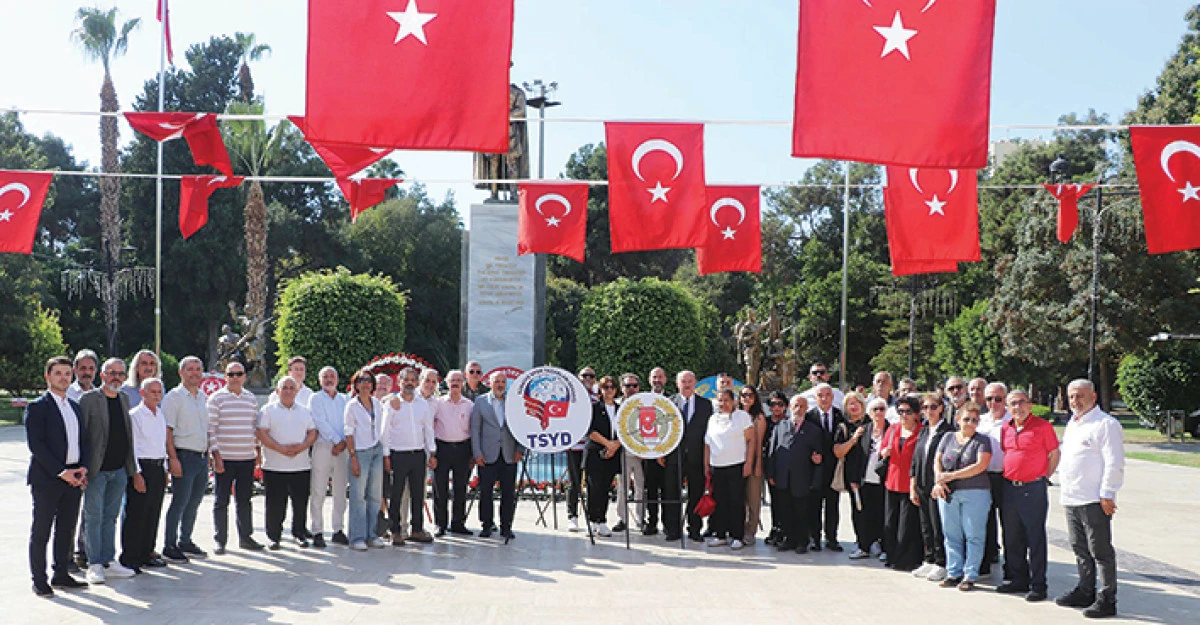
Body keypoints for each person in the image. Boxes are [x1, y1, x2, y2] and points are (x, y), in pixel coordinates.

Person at [1055, 379, 1125, 619]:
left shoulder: (1106, 424)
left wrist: (1108, 493)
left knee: (1100, 550)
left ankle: (1107, 599)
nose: (1075, 401)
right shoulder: (1073, 423)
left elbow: (1114, 462)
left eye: (1081, 395)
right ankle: (1085, 591)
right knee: (1079, 547)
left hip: (1094, 499)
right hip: (1072, 497)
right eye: (1072, 396)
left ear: (1093, 396)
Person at [26, 356, 90, 597]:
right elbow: (37, 446)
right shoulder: (38, 407)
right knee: (41, 530)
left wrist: (83, 467)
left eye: (66, 373)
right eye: (58, 373)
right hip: (48, 478)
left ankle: (61, 573)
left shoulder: (75, 407)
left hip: (74, 477)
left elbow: (83, 441)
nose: (63, 378)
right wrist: (61, 472)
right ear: (48, 377)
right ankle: (39, 579)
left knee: (66, 529)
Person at [997, 389, 1061, 602]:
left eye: (1022, 402)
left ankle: (1038, 585)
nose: (1018, 407)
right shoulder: (1006, 428)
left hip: (1032, 489)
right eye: (1013, 404)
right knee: (1011, 537)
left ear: (1030, 405)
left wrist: (1044, 476)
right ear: (1008, 408)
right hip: (1009, 488)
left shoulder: (1043, 427)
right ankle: (1018, 579)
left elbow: (1054, 454)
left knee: (1035, 538)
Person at [79, 357, 138, 584]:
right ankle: (94, 563)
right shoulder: (89, 399)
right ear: (102, 375)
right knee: (93, 516)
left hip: (119, 469)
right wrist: (82, 466)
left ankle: (108, 560)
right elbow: (82, 435)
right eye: (111, 373)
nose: (116, 377)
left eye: (120, 374)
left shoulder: (123, 398)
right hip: (96, 469)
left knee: (111, 517)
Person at [933, 401, 993, 591]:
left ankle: (970, 574)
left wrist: (951, 476)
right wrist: (939, 480)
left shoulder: (983, 440)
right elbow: (937, 460)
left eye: (975, 420)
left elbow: (980, 465)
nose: (970, 423)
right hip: (949, 493)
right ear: (958, 419)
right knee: (951, 534)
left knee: (974, 535)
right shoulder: (948, 437)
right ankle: (953, 572)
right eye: (967, 419)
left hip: (975, 493)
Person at [208, 361, 264, 554]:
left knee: (244, 500)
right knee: (221, 500)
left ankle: (246, 537)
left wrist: (257, 452)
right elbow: (211, 429)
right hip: (225, 458)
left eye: (238, 374)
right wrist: (216, 456)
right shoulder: (216, 399)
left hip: (246, 458)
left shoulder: (251, 399)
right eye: (230, 374)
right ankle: (220, 540)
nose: (234, 378)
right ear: (225, 377)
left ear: (244, 377)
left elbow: (253, 428)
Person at [258, 376, 318, 550]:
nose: (288, 391)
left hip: (300, 465)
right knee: (275, 504)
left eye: (292, 388)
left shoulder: (305, 411)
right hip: (274, 465)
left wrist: (302, 447)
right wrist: (281, 449)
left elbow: (313, 432)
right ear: (277, 391)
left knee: (300, 503)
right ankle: (274, 536)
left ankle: (299, 533)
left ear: (297, 391)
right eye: (284, 387)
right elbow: (262, 433)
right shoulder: (268, 410)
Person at [161, 356, 210, 562]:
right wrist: (172, 459)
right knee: (179, 502)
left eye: (198, 369)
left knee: (194, 502)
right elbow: (167, 430)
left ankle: (185, 540)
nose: (194, 373)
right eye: (190, 369)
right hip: (183, 455)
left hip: (200, 457)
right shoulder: (174, 397)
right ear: (181, 373)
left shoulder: (201, 396)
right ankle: (169, 544)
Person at [119, 377, 169, 572]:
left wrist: (164, 468)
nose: (156, 395)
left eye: (159, 392)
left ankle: (147, 552)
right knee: (136, 514)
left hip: (157, 467)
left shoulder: (160, 415)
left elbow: (161, 443)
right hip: (142, 468)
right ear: (142, 393)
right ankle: (130, 556)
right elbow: (133, 447)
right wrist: (137, 474)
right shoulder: (135, 416)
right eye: (152, 392)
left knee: (153, 512)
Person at [383, 367, 437, 545]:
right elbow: (386, 431)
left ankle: (417, 529)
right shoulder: (392, 403)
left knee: (418, 494)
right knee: (396, 495)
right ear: (399, 382)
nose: (410, 383)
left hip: (418, 454)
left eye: (413, 380)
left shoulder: (422, 404)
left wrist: (432, 452)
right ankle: (395, 530)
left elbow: (428, 429)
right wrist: (386, 456)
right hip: (398, 454)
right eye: (406, 379)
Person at [766, 394, 823, 553]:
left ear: (806, 409)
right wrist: (770, 474)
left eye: (801, 406)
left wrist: (815, 478)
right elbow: (772, 451)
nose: (798, 409)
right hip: (782, 477)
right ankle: (788, 539)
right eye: (795, 406)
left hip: (802, 478)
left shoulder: (813, 430)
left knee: (801, 511)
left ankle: (801, 541)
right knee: (785, 510)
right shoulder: (780, 426)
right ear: (789, 408)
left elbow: (818, 456)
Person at [471, 371, 524, 540]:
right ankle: (486, 525)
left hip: (509, 454)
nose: (500, 385)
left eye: (503, 382)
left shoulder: (514, 403)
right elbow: (475, 429)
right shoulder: (480, 402)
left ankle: (506, 527)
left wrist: (520, 450)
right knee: (486, 492)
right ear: (490, 383)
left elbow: (522, 428)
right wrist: (477, 453)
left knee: (508, 493)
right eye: (497, 382)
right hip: (487, 455)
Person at [911, 392, 956, 583]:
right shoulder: (923, 430)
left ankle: (941, 561)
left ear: (941, 408)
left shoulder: (948, 431)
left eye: (933, 407)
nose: (929, 411)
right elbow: (915, 459)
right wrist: (913, 484)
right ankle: (928, 558)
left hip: (937, 485)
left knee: (938, 524)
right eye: (925, 407)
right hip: (921, 483)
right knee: (925, 524)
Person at [704, 389, 754, 549]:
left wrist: (749, 463)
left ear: (733, 401)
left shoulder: (742, 417)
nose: (723, 404)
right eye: (720, 400)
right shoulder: (712, 418)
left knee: (736, 501)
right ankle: (720, 534)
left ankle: (737, 535)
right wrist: (706, 464)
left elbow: (751, 440)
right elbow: (707, 443)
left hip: (736, 465)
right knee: (719, 502)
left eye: (726, 400)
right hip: (717, 466)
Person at [307, 366, 350, 548]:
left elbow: (349, 422)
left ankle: (338, 530)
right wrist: (336, 441)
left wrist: (343, 443)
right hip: (324, 447)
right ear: (319, 380)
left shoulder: (345, 399)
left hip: (343, 450)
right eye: (325, 376)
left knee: (340, 491)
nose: (329, 379)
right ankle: (317, 531)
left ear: (338, 379)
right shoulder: (315, 398)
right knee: (318, 490)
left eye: (332, 376)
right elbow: (320, 421)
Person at [345, 369, 387, 551]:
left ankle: (372, 534)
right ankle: (357, 537)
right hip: (359, 453)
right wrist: (353, 457)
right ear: (356, 384)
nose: (365, 384)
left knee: (375, 496)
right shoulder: (351, 406)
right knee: (358, 497)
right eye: (361, 380)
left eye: (369, 381)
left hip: (376, 451)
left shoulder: (377, 403)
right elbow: (348, 432)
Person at [880, 395, 923, 572]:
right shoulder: (893, 429)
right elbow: (882, 449)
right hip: (892, 480)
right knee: (890, 522)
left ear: (916, 414)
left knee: (907, 524)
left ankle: (905, 559)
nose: (904, 415)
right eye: (901, 411)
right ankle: (891, 555)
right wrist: (885, 452)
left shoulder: (921, 431)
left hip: (910, 482)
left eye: (908, 411)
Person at [432, 369, 475, 537]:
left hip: (463, 449)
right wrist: (432, 453)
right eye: (452, 380)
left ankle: (458, 523)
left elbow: (473, 429)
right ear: (447, 383)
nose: (455, 383)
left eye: (458, 380)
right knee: (439, 488)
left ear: (463, 383)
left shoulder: (470, 405)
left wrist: (472, 453)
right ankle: (440, 524)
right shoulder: (438, 403)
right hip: (442, 449)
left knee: (460, 488)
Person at [844, 397, 888, 560]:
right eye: (875, 409)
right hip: (864, 479)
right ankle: (863, 546)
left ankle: (884, 547)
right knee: (863, 514)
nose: (878, 413)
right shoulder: (864, 430)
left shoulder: (891, 430)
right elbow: (857, 457)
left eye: (882, 409)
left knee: (882, 514)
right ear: (869, 412)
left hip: (883, 481)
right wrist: (854, 479)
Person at [977, 381, 1012, 578]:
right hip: (983, 476)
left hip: (1006, 477)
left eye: (998, 399)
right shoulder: (980, 421)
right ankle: (985, 562)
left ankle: (1012, 568)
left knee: (1009, 523)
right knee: (984, 521)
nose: (993, 403)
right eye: (989, 398)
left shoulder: (1012, 420)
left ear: (1005, 400)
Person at [674, 370, 713, 542]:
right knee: (672, 494)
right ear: (677, 384)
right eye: (683, 381)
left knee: (695, 494)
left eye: (690, 381)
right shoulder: (669, 403)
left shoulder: (706, 405)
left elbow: (709, 434)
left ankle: (694, 528)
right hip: (675, 457)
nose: (687, 384)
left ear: (695, 382)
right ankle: (673, 529)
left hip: (697, 457)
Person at [806, 383, 845, 552]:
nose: (824, 398)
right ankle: (814, 538)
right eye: (820, 395)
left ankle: (832, 538)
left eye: (828, 395)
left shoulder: (840, 416)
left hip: (833, 468)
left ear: (832, 397)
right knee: (814, 506)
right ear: (816, 398)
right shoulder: (809, 416)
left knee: (833, 505)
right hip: (815, 469)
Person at [585, 376, 622, 537]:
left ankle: (602, 521)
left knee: (606, 488)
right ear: (600, 390)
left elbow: (626, 430)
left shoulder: (622, 409)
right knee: (594, 488)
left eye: (612, 387)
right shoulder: (593, 408)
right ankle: (592, 521)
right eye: (605, 387)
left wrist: (615, 446)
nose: (609, 390)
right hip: (595, 452)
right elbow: (590, 431)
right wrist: (608, 444)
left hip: (613, 453)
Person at [565, 367, 596, 532]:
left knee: (592, 483)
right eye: (585, 375)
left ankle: (592, 517)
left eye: (591, 376)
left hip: (591, 446)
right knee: (574, 482)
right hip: (574, 445)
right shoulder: (571, 398)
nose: (588, 378)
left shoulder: (597, 398)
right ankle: (572, 516)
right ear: (579, 377)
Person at [641, 367, 672, 536]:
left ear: (665, 379)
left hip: (667, 455)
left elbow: (674, 428)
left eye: (660, 377)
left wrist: (664, 452)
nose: (657, 380)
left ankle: (668, 525)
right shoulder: (643, 400)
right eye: (654, 377)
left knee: (668, 491)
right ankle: (651, 523)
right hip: (648, 454)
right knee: (650, 491)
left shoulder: (672, 400)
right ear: (649, 379)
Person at [614, 373, 646, 533]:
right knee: (622, 488)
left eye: (634, 386)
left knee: (641, 487)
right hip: (622, 453)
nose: (631, 389)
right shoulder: (616, 404)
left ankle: (641, 519)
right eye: (628, 386)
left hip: (640, 454)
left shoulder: (645, 403)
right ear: (622, 388)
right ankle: (623, 519)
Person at [740, 385, 768, 545]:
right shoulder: (735, 415)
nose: (746, 398)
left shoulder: (759, 418)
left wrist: (757, 464)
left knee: (753, 499)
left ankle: (751, 531)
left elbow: (758, 443)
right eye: (743, 395)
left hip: (753, 462)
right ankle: (739, 528)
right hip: (736, 461)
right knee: (740, 498)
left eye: (750, 395)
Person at [763, 391, 790, 546]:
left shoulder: (789, 422)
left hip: (786, 467)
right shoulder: (766, 422)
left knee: (785, 500)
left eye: (780, 404)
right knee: (775, 500)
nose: (777, 407)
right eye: (773, 404)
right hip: (770, 465)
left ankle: (785, 530)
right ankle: (775, 529)